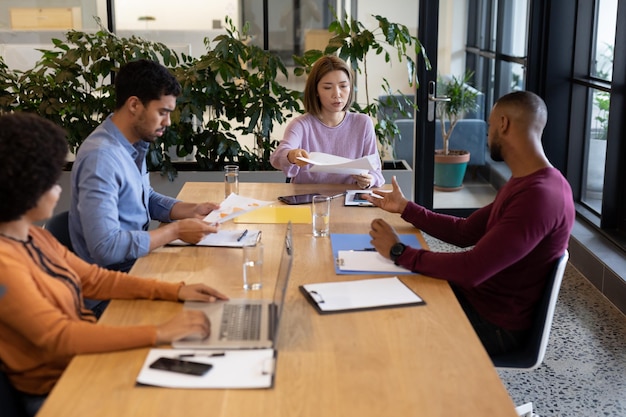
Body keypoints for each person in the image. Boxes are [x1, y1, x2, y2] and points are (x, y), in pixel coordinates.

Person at [0, 112, 228, 417]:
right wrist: (158, 332)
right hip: (60, 389)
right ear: (25, 185)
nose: (59, 188)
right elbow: (60, 338)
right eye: (52, 179)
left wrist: (175, 291)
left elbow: (95, 280)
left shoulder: (31, 237)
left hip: (84, 359)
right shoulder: (5, 263)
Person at [365, 91, 575, 356]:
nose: (487, 136)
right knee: (382, 294)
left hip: (493, 325)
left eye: (488, 126)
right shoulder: (527, 182)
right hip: (475, 301)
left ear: (503, 123)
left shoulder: (541, 196)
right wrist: (406, 208)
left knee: (380, 328)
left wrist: (399, 252)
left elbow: (473, 269)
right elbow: (465, 232)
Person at [70, 59, 220, 274]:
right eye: (162, 112)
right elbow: (105, 247)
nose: (167, 122)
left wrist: (190, 210)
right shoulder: (101, 158)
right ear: (134, 105)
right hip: (110, 285)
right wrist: (175, 231)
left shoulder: (132, 143)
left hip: (136, 264)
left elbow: (143, 198)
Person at [270, 55, 385, 189]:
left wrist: (368, 180)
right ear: (316, 91)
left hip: (347, 201)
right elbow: (277, 157)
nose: (337, 94)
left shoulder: (363, 123)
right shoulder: (301, 125)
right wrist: (291, 155)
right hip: (306, 201)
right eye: (327, 87)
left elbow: (376, 172)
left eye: (343, 86)